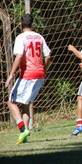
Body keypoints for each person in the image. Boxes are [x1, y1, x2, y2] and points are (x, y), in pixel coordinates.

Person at [5, 14, 51, 144]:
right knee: (26, 105)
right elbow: (48, 56)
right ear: (32, 25)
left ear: (21, 25)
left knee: (11, 102)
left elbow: (19, 56)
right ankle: (23, 136)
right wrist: (44, 70)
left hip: (28, 74)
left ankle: (22, 129)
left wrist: (11, 75)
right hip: (40, 75)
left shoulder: (21, 37)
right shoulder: (39, 37)